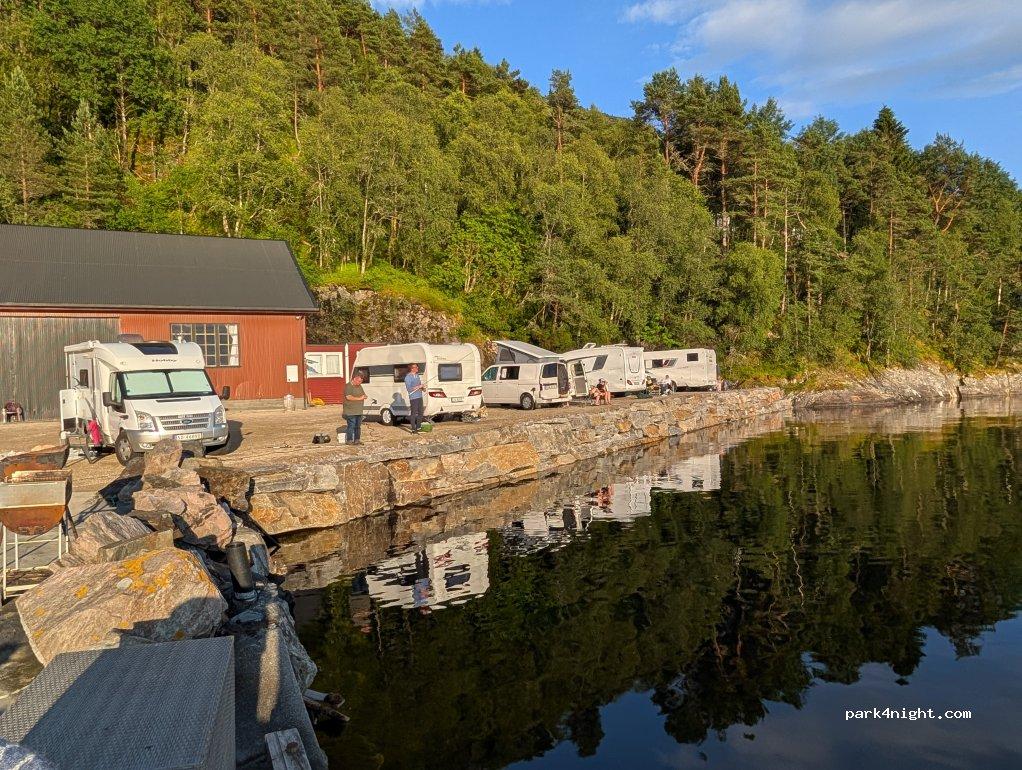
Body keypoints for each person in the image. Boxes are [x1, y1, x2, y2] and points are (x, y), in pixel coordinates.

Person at [343, 372, 367, 444]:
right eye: (359, 381)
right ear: (354, 379)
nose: (360, 383)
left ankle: (357, 440)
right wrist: (360, 398)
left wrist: (364, 396)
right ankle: (349, 440)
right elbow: (348, 397)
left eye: (361, 381)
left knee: (358, 427)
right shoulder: (348, 386)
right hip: (350, 411)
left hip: (359, 410)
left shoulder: (359, 386)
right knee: (351, 426)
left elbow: (363, 394)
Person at [404, 363, 426, 433]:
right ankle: (413, 429)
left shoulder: (417, 376)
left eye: (417, 367)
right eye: (416, 367)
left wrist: (422, 388)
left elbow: (419, 385)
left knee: (421, 413)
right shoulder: (408, 377)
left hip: (419, 396)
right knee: (413, 413)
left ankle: (418, 427)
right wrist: (418, 387)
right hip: (413, 398)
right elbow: (409, 389)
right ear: (412, 368)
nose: (417, 368)